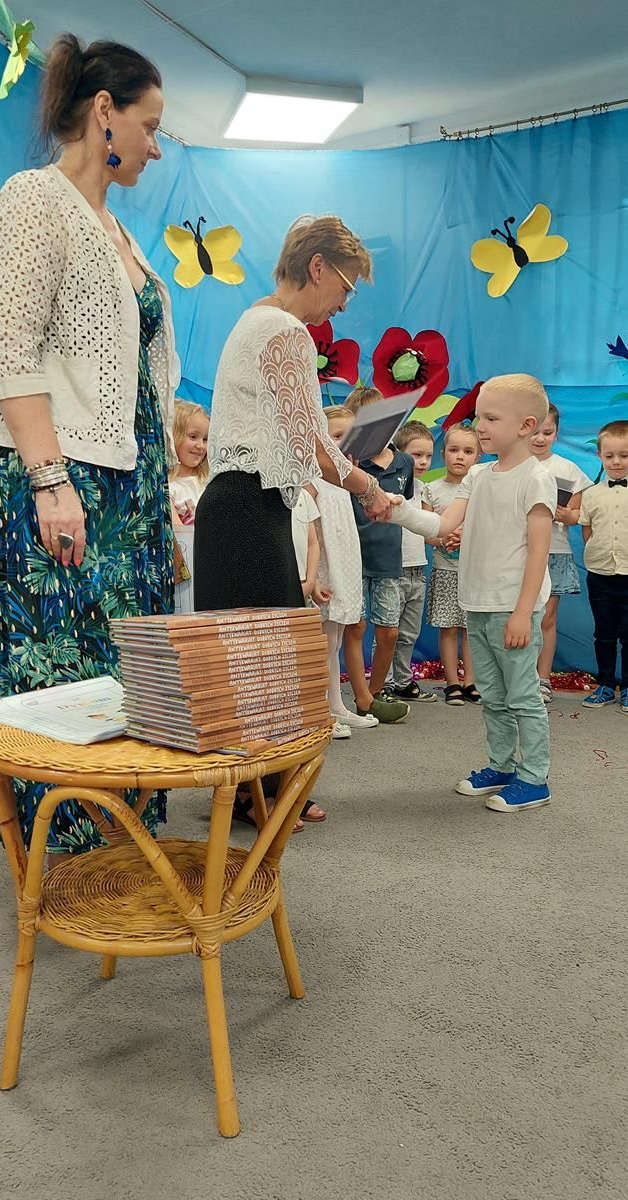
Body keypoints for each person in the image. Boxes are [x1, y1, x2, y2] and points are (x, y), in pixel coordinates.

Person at [0, 35, 179, 859]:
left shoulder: (116, 228)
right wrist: (50, 481)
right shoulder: (36, 199)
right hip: (63, 475)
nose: (156, 147)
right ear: (104, 112)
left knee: (125, 665)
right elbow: (7, 350)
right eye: (149, 126)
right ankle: (61, 855)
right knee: (58, 670)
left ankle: (119, 843)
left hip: (126, 478)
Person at [193, 216, 394, 826]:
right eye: (346, 286)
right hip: (249, 509)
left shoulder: (253, 319)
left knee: (242, 657)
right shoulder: (285, 330)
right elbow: (312, 442)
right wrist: (369, 486)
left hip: (237, 506)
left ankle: (249, 790)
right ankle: (264, 794)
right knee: (265, 657)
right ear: (317, 267)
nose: (344, 302)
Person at [392, 374, 556, 813]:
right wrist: (397, 511)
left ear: (525, 426)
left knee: (522, 696)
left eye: (490, 418)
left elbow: (538, 550)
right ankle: (502, 765)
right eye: (478, 416)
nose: (479, 426)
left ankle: (534, 777)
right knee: (494, 696)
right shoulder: (479, 475)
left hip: (512, 608)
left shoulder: (536, 478)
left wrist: (523, 611)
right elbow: (443, 524)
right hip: (477, 605)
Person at [315, 406, 385, 733]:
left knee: (337, 636)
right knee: (323, 639)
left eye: (351, 437)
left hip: (344, 560)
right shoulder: (315, 479)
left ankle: (336, 705)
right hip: (325, 564)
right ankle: (319, 710)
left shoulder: (347, 483)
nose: (345, 445)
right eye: (337, 437)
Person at [342, 415, 413, 724]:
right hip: (353, 556)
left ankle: (374, 693)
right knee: (355, 626)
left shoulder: (405, 462)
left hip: (388, 558)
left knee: (390, 631)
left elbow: (403, 505)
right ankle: (363, 698)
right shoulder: (348, 462)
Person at [529, 403, 593, 703]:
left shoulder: (568, 469)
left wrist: (566, 514)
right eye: (535, 432)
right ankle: (519, 676)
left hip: (555, 551)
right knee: (518, 615)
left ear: (556, 433)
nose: (540, 438)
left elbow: (577, 514)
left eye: (547, 432)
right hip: (520, 551)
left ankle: (542, 678)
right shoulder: (514, 464)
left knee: (547, 617)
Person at [578, 420, 628, 712]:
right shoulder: (591, 494)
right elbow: (587, 528)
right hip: (600, 573)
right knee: (603, 633)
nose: (616, 461)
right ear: (599, 455)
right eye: (609, 455)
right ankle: (605, 684)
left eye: (623, 455)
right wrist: (596, 551)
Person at [425, 424, 482, 705]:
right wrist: (443, 538)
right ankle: (452, 682)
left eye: (468, 451)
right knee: (448, 627)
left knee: (472, 627)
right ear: (443, 453)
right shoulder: (432, 490)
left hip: (475, 571)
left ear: (478, 457)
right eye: (454, 450)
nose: (460, 456)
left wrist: (467, 538)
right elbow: (426, 530)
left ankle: (471, 680)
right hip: (446, 569)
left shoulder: (481, 490)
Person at [384, 421, 437, 703]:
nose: (424, 462)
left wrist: (448, 538)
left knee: (408, 633)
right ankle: (384, 682)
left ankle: (403, 681)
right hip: (393, 570)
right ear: (400, 455)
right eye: (417, 455)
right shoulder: (389, 487)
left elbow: (429, 530)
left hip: (418, 571)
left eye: (428, 456)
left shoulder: (424, 490)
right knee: (388, 631)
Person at [169, 400, 209, 526]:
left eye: (205, 439)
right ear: (174, 437)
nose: (200, 445)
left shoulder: (209, 481)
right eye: (193, 437)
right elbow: (176, 531)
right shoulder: (168, 487)